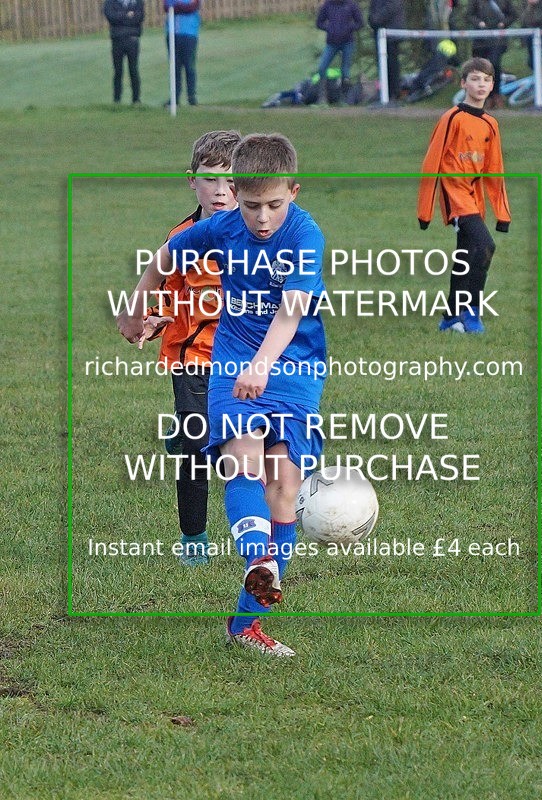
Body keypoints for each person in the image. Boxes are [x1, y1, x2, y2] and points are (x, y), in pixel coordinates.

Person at [117, 134, 327, 657]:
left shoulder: (305, 234)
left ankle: (244, 625)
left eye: (274, 205)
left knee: (282, 493)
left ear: (293, 192)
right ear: (237, 193)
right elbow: (163, 258)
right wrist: (132, 310)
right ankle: (259, 562)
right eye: (252, 205)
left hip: (295, 370)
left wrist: (265, 365)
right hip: (233, 366)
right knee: (242, 458)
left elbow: (292, 311)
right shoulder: (221, 229)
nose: (261, 217)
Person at [137, 130, 242, 567]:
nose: (221, 191)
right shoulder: (182, 237)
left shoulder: (262, 234)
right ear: (191, 181)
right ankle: (194, 539)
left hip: (247, 358)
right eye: (210, 180)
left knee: (242, 450)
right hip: (193, 357)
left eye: (232, 181)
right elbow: (166, 287)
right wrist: (154, 316)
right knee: (199, 446)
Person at [417, 57, 511, 334]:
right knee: (485, 246)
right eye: (475, 79)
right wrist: (425, 210)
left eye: (486, 79)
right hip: (454, 195)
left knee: (466, 254)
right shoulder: (452, 118)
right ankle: (472, 311)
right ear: (464, 83)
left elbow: (494, 170)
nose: (481, 84)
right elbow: (431, 162)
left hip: (473, 197)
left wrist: (502, 213)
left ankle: (449, 317)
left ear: (492, 85)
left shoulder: (491, 124)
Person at [467, 0, 518, 107]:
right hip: (480, 41)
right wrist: (479, 23)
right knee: (481, 68)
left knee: (494, 64)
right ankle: (486, 97)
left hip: (498, 39)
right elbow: (469, 15)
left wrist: (504, 23)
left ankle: (496, 94)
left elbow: (513, 14)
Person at [316, 0, 364, 98]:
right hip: (332, 43)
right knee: (322, 67)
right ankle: (322, 96)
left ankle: (345, 97)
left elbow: (360, 23)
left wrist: (349, 28)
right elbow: (319, 23)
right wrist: (329, 28)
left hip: (347, 42)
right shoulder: (327, 4)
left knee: (345, 70)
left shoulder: (351, 4)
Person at [103, 0, 144, 105]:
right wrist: (127, 15)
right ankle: (117, 100)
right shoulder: (110, 2)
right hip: (117, 39)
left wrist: (121, 17)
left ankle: (136, 99)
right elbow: (111, 17)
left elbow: (139, 17)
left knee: (133, 70)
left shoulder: (137, 2)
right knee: (118, 71)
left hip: (132, 39)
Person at [164, 0, 201, 106]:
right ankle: (175, 97)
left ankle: (191, 97)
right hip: (172, 32)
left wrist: (178, 7)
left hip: (189, 32)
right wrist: (181, 7)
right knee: (174, 66)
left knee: (189, 66)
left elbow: (193, 7)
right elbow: (167, 7)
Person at [368, 0, 406, 102]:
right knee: (382, 65)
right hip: (379, 33)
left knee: (392, 64)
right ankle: (385, 92)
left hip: (391, 33)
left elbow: (391, 8)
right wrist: (372, 19)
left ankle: (394, 92)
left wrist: (376, 19)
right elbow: (373, 9)